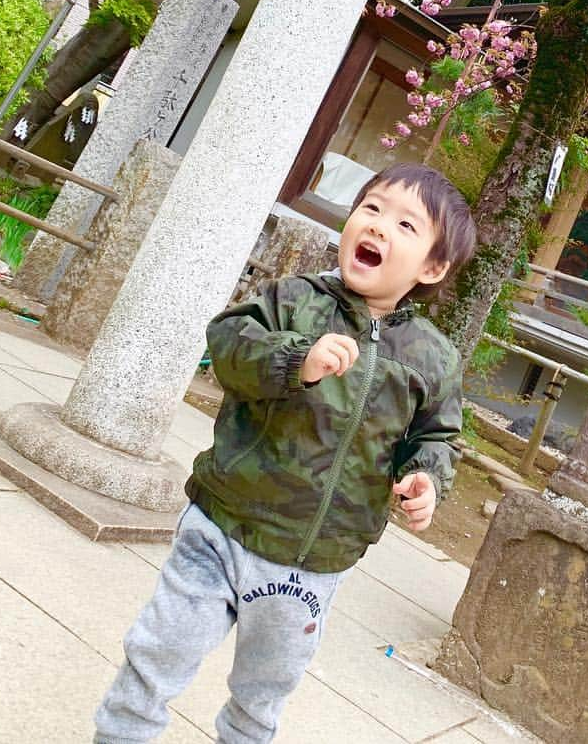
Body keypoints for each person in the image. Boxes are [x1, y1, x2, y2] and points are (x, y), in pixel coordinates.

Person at [95, 161, 477, 744]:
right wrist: (295, 357)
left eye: (405, 224)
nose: (377, 226)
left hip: (314, 564)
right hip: (223, 525)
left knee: (263, 692)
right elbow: (227, 345)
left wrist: (425, 477)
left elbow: (436, 435)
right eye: (371, 208)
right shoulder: (294, 300)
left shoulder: (432, 358)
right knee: (159, 654)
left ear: (432, 266)